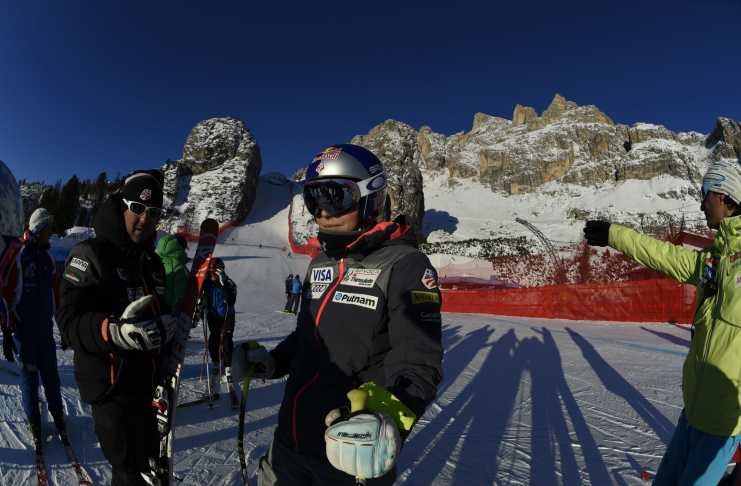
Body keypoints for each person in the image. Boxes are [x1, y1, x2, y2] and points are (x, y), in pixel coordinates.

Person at [233, 144, 443, 485]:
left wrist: (387, 419)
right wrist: (272, 362)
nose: (324, 212)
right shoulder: (321, 262)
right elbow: (309, 337)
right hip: (291, 440)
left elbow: (419, 364)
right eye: (313, 199)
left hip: (349, 453)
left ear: (370, 196)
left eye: (336, 197)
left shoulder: (405, 266)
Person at [584, 159, 741, 486]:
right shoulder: (712, 259)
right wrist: (615, 234)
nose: (701, 204)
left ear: (723, 196)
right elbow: (663, 255)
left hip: (724, 421)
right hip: (694, 410)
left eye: (705, 195)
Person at [56, 170, 178, 486]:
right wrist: (113, 331)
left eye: (153, 213)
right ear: (122, 206)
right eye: (137, 208)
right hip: (110, 386)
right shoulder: (90, 254)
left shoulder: (151, 263)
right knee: (128, 469)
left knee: (149, 464)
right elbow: (68, 323)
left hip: (145, 383)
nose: (144, 219)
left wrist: (169, 330)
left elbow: (158, 310)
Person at [7, 208, 66, 446]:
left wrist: (62, 326)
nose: (50, 233)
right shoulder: (18, 255)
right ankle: (33, 420)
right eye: (48, 229)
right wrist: (7, 331)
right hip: (24, 332)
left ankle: (58, 415)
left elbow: (56, 295)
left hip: (45, 330)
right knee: (29, 377)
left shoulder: (48, 258)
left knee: (51, 376)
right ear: (39, 229)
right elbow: (6, 295)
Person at [200, 257, 237, 391]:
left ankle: (227, 367)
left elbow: (231, 299)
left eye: (214, 272)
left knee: (226, 340)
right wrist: (202, 305)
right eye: (210, 272)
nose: (212, 275)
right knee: (214, 340)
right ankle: (216, 362)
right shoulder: (207, 283)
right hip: (213, 316)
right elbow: (201, 296)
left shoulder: (228, 282)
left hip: (227, 316)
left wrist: (224, 283)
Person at [156, 233, 188, 310]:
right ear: (180, 248)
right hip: (167, 309)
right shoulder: (178, 267)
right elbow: (179, 294)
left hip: (151, 307)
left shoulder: (154, 260)